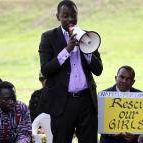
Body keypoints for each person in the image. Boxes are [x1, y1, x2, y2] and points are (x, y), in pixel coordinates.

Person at [38, 0, 103, 143]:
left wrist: (86, 50)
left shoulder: (88, 36)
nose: (70, 19)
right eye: (65, 16)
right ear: (58, 17)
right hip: (62, 102)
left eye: (73, 15)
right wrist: (67, 50)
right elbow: (46, 70)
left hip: (86, 101)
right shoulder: (48, 37)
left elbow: (98, 70)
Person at [99, 65, 141, 143]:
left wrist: (135, 136)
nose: (124, 81)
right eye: (121, 77)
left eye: (128, 79)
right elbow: (97, 122)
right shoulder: (103, 95)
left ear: (133, 82)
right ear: (116, 78)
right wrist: (111, 133)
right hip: (109, 140)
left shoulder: (141, 96)